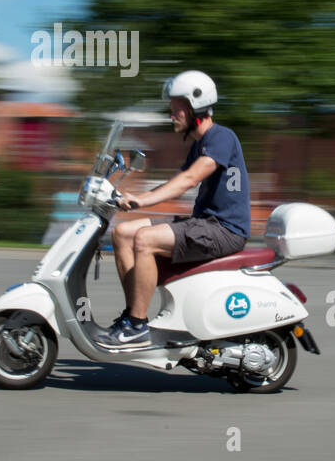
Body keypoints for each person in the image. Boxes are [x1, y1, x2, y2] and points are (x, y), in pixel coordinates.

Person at [94, 70, 251, 348]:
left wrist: (142, 201)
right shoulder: (200, 144)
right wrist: (134, 197)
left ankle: (138, 326)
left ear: (196, 106)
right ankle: (131, 317)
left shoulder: (221, 137)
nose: (172, 114)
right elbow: (175, 183)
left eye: (177, 107)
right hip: (204, 223)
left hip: (224, 229)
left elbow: (189, 180)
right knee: (123, 233)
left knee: (144, 239)